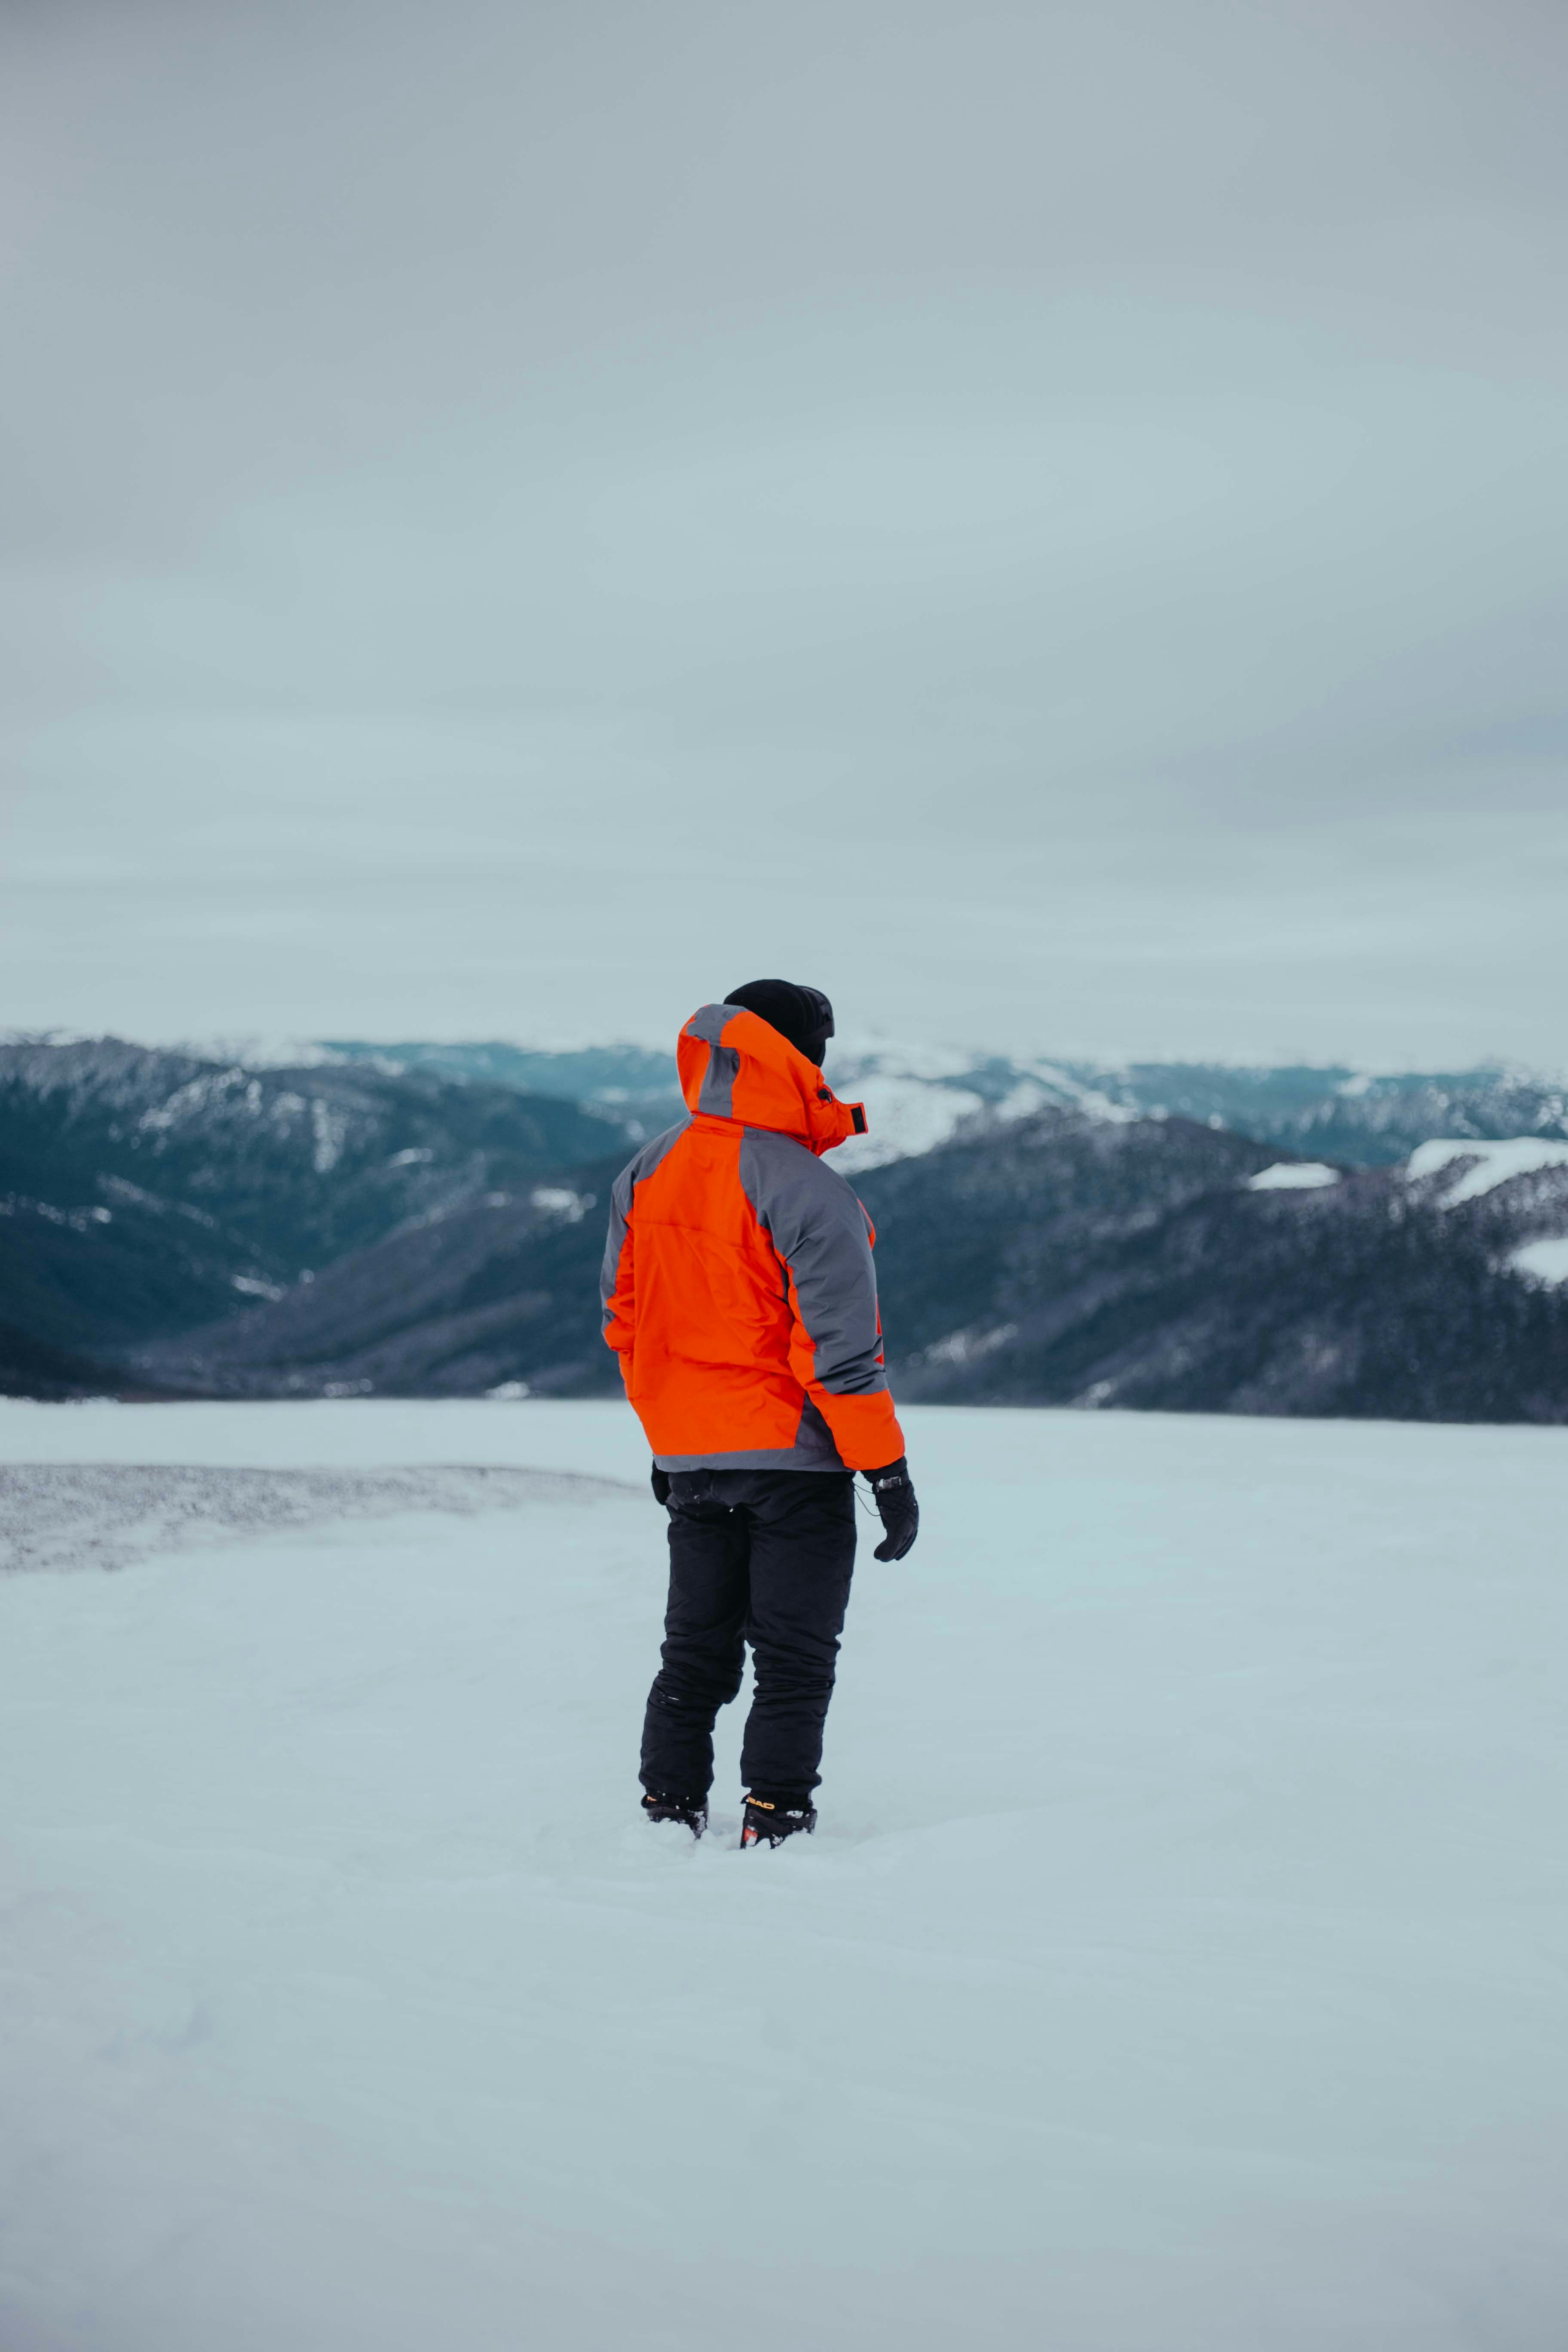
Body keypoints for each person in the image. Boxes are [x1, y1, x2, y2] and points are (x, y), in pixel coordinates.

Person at [600, 980, 919, 1848]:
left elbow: (628, 1323)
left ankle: (667, 1815)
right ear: (798, 1057)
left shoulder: (649, 1170)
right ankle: (775, 1819)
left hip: (693, 1466)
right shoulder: (808, 1189)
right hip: (794, 1466)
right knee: (793, 1657)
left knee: (693, 1652)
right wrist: (887, 1472)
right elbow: (841, 1357)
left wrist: (670, 1440)